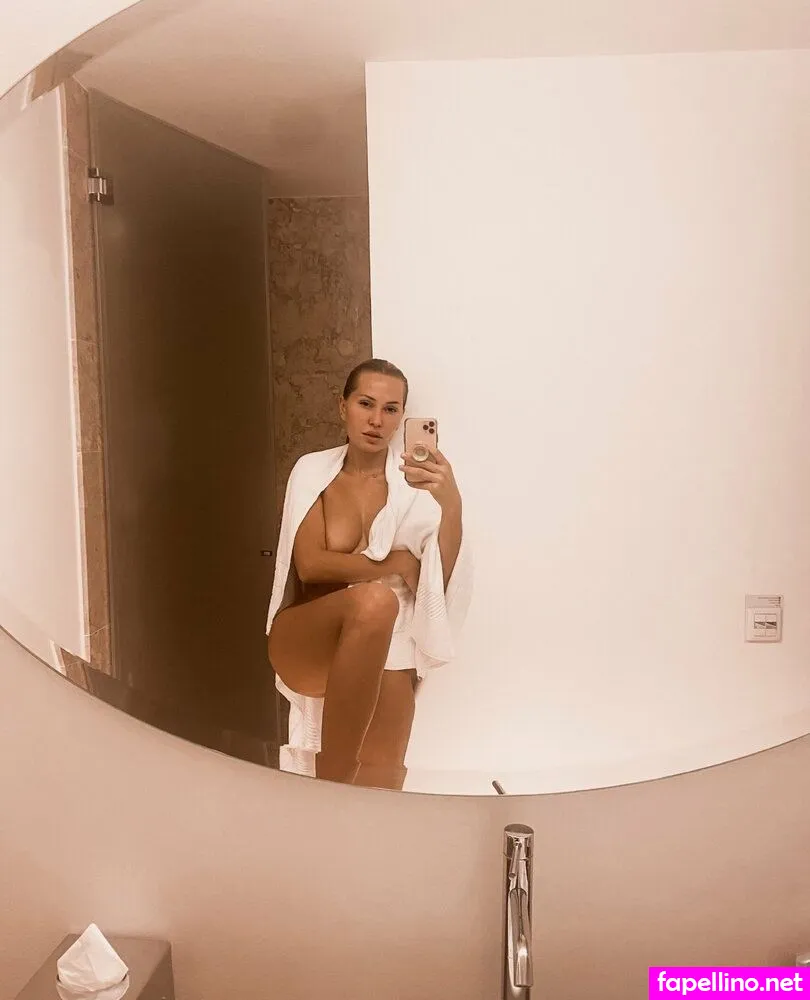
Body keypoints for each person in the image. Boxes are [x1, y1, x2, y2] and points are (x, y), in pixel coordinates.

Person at [266, 358, 471, 789]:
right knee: (377, 600)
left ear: (402, 417)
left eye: (390, 409)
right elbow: (311, 564)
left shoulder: (415, 489)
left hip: (388, 639)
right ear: (343, 406)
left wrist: (451, 504)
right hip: (310, 631)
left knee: (383, 781)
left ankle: (349, 814)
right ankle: (334, 788)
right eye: (366, 403)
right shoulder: (312, 472)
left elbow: (436, 581)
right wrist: (395, 563)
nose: (377, 420)